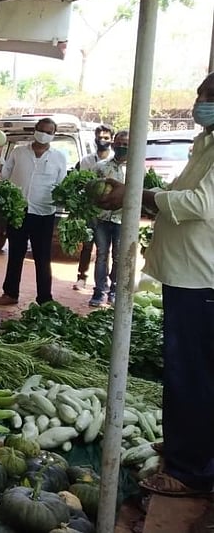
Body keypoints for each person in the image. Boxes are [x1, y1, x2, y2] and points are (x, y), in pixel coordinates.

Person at [97, 72, 214, 504]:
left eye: (210, 96)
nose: (200, 100)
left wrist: (138, 194)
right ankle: (190, 448)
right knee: (190, 371)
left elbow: (201, 205)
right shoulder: (205, 145)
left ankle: (191, 471)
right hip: (187, 275)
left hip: (200, 278)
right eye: (200, 92)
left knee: (192, 375)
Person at [0, 117, 67, 307]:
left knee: (43, 257)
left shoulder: (59, 157)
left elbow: (62, 185)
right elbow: (5, 176)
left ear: (53, 135)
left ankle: (45, 299)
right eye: (41, 130)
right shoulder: (18, 153)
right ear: (35, 130)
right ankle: (10, 293)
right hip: (19, 211)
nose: (44, 134)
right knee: (15, 253)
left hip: (44, 213)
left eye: (49, 132)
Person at [88, 129, 128, 308]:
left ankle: (114, 291)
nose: (122, 147)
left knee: (119, 257)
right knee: (102, 255)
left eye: (126, 144)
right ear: (113, 144)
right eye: (119, 143)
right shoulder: (100, 167)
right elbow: (89, 191)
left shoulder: (136, 170)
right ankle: (98, 292)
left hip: (123, 220)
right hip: (101, 218)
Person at [73, 124, 114, 291]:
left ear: (111, 139)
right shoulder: (86, 161)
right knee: (87, 244)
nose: (102, 140)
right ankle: (81, 276)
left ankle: (104, 284)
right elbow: (81, 183)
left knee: (105, 250)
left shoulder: (114, 160)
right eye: (99, 137)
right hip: (90, 209)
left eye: (106, 137)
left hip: (109, 210)